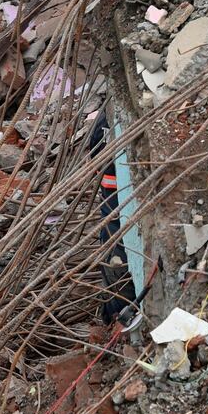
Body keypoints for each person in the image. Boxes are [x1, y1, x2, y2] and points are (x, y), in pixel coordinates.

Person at [89, 112, 137, 324]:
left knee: (114, 257)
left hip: (114, 200)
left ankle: (115, 314)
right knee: (116, 259)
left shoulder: (106, 121)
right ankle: (117, 316)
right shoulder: (107, 124)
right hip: (116, 200)